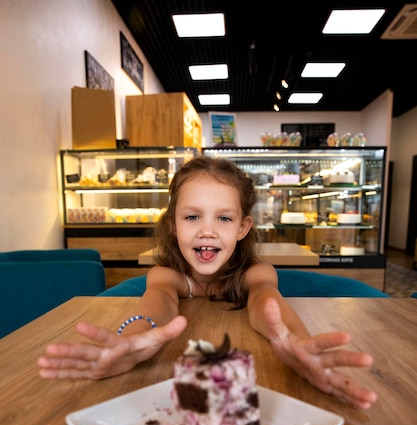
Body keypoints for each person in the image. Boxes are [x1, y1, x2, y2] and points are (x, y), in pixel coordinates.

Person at [38, 156, 377, 410]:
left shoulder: (257, 272)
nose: (208, 230)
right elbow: (158, 304)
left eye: (224, 218)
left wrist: (296, 340)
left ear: (242, 228)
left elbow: (265, 304)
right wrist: (130, 341)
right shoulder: (166, 274)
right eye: (192, 216)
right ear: (173, 223)